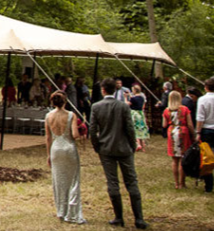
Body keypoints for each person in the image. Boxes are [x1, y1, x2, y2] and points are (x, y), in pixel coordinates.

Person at [89, 78, 148, 229]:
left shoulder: (97, 107)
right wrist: (132, 144)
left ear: (103, 90)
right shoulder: (123, 106)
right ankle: (139, 218)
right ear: (115, 90)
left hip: (107, 149)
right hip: (124, 148)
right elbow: (129, 127)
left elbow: (92, 130)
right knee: (131, 181)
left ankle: (119, 217)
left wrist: (97, 146)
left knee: (112, 182)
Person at [45, 91, 86, 224]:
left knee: (58, 181)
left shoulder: (48, 116)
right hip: (68, 148)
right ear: (65, 101)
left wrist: (48, 155)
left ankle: (61, 211)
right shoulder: (70, 115)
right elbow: (74, 135)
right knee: (73, 180)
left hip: (55, 149)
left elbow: (48, 137)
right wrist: (81, 128)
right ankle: (73, 213)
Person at [162, 90, 195, 189]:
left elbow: (164, 125)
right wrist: (193, 134)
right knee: (182, 158)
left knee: (174, 159)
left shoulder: (167, 110)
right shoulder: (184, 109)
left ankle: (176, 183)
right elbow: (189, 124)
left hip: (172, 132)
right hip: (182, 132)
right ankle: (182, 183)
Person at [129, 84, 150, 152]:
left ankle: (138, 144)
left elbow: (128, 103)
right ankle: (143, 145)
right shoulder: (142, 98)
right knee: (141, 128)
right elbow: (143, 105)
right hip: (141, 114)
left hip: (134, 114)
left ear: (135, 90)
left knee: (135, 128)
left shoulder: (133, 98)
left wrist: (126, 97)